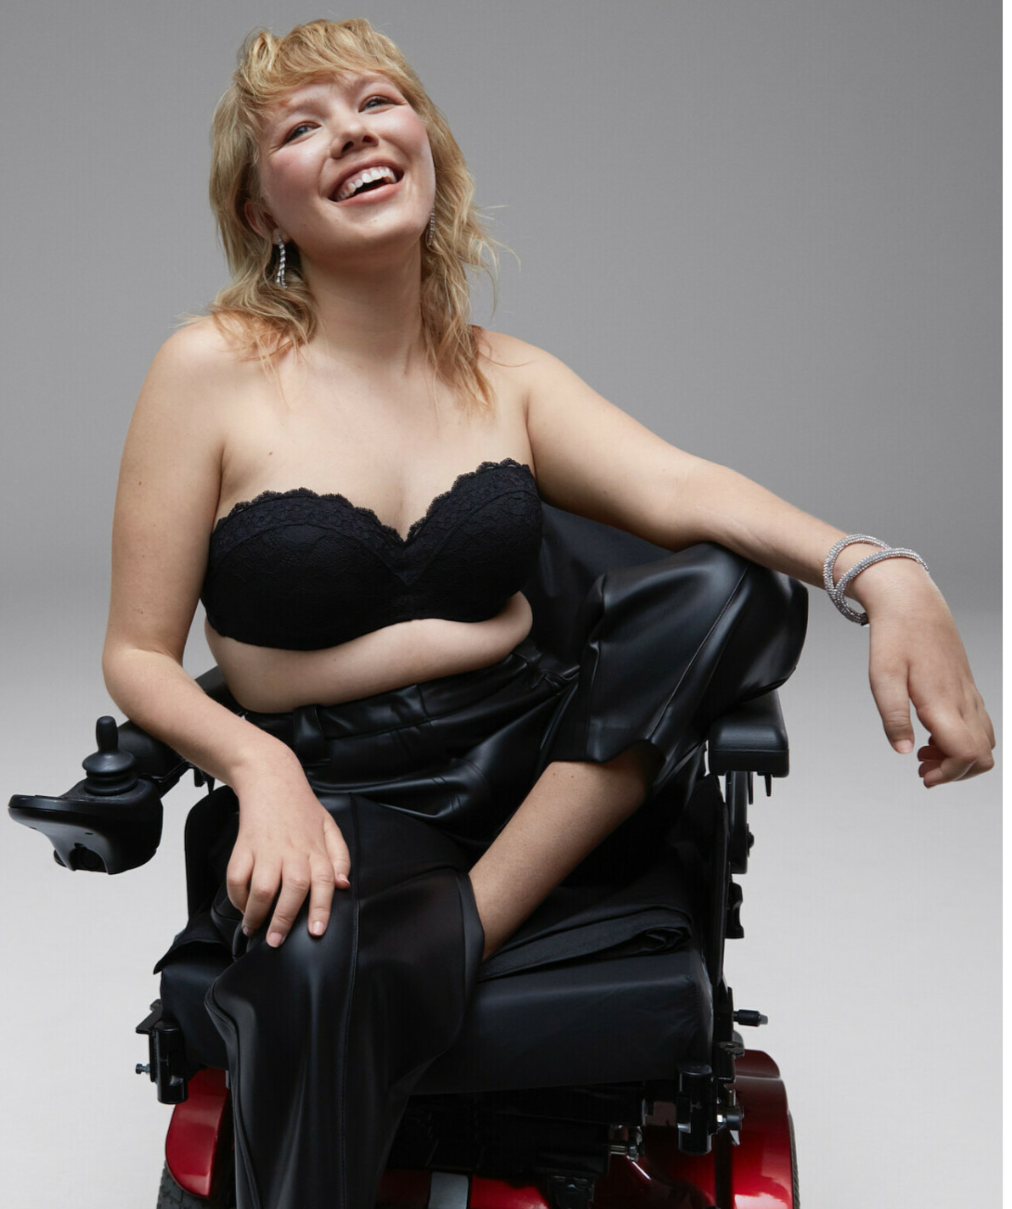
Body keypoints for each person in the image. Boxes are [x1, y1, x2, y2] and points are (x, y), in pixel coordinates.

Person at [99, 18, 994, 1209]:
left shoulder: (505, 376)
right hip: (344, 792)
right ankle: (422, 956)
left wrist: (886, 574)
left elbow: (687, 490)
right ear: (262, 207)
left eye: (377, 103)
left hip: (542, 765)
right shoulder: (207, 368)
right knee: (312, 971)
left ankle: (467, 921)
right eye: (301, 127)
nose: (353, 132)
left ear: (426, 143)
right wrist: (261, 772)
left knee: (732, 586)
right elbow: (136, 656)